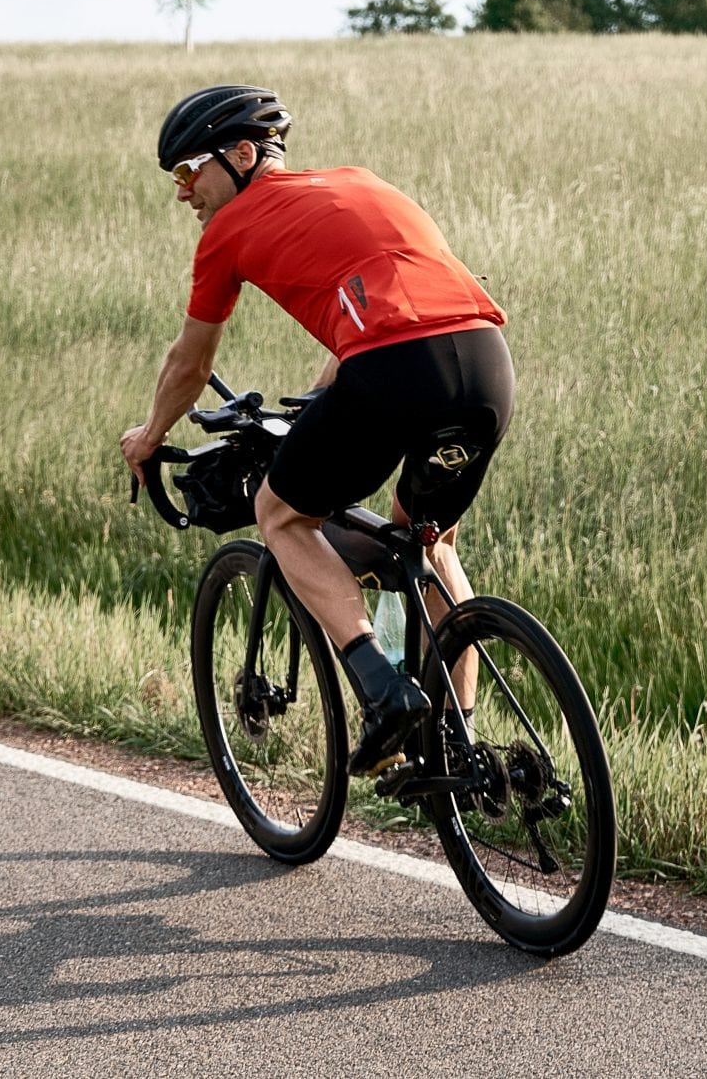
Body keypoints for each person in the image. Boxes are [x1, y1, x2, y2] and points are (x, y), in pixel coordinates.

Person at [120, 85, 514, 776]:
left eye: (188, 172)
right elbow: (401, 294)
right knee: (430, 539)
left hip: (392, 369)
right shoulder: (358, 182)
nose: (183, 192)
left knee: (280, 512)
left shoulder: (226, 235)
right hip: (484, 364)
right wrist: (332, 386)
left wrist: (150, 434)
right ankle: (460, 747)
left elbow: (192, 359)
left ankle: (382, 688)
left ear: (242, 155)